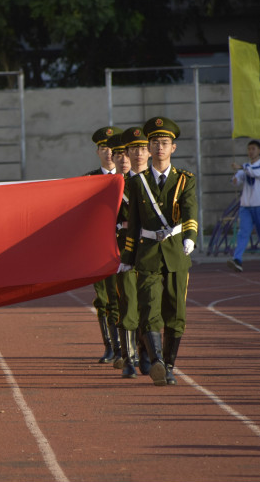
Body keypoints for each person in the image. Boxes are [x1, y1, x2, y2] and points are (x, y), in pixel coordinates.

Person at [119, 117, 197, 387]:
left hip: (176, 251)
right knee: (149, 307)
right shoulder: (138, 182)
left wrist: (190, 237)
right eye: (155, 143)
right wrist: (127, 259)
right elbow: (134, 226)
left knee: (176, 312)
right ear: (149, 148)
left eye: (164, 143)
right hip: (148, 252)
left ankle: (170, 365)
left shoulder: (185, 180)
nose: (159, 148)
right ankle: (158, 363)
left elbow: (189, 211)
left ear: (173, 148)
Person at [113, 127, 152, 378]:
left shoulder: (159, 182)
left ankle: (146, 353)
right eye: (132, 149)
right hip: (124, 250)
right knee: (127, 302)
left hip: (152, 251)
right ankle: (130, 358)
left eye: (142, 148)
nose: (137, 154)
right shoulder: (118, 186)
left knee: (150, 304)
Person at [84, 126, 122, 365]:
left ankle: (126, 345)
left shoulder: (129, 177)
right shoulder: (89, 180)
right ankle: (110, 345)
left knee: (125, 297)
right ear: (98, 151)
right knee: (103, 299)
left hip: (126, 246)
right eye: (104, 148)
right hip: (100, 249)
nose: (109, 153)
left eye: (113, 148)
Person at [227, 140, 260, 272]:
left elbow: (253, 172)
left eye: (253, 149)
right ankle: (237, 259)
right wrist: (235, 179)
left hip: (259, 206)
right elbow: (237, 179)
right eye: (249, 149)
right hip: (245, 206)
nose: (251, 151)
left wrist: (241, 167)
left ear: (259, 151)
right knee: (243, 233)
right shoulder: (245, 167)